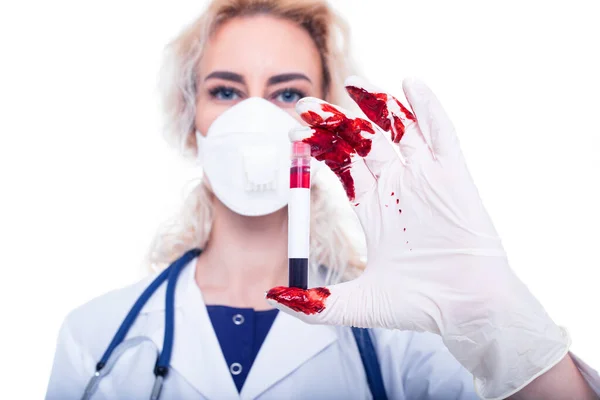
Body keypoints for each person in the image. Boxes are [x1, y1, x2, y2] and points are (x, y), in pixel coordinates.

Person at [46, 0, 600, 399]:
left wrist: (498, 317)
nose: (254, 118)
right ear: (190, 117)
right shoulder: (97, 335)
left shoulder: (406, 332)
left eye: (288, 93)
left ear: (322, 122)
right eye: (226, 91)